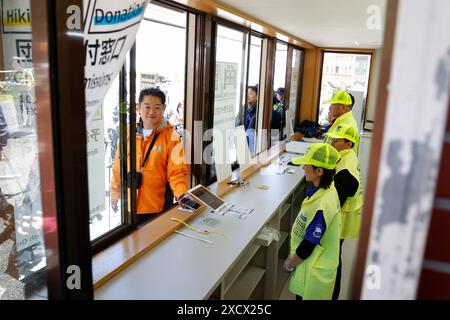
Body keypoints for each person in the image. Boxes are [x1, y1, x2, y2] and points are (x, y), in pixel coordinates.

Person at [110, 88, 189, 225]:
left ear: (163, 108)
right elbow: (118, 166)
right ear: (138, 107)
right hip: (129, 204)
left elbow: (177, 172)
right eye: (147, 107)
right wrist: (115, 192)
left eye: (157, 107)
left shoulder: (172, 137)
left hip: (157, 207)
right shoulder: (129, 133)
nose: (152, 112)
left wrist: (182, 194)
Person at [284, 143, 342, 300]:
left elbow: (308, 245)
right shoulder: (326, 189)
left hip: (316, 269)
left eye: (306, 165)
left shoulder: (323, 204)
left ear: (319, 171)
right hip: (310, 264)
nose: (303, 167)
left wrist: (289, 264)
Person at [324, 123, 363, 300]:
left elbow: (335, 203)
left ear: (348, 144)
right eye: (332, 139)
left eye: (336, 141)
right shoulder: (347, 156)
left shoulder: (346, 168)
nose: (332, 143)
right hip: (346, 213)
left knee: (333, 257)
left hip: (343, 217)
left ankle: (332, 294)